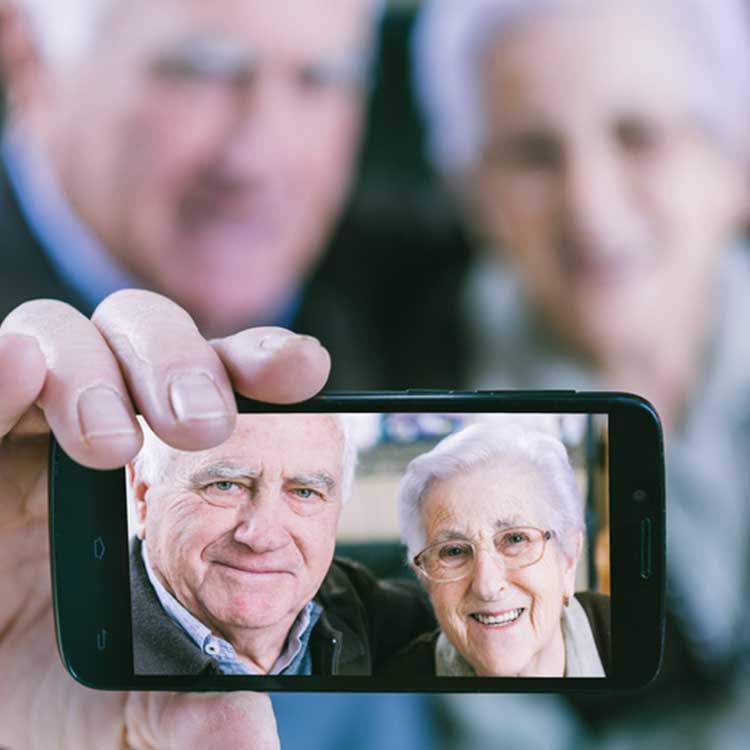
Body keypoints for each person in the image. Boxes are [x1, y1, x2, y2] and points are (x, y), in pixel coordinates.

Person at [412, 0, 749, 745]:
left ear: (738, 164)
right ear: (474, 197)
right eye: (533, 153)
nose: (590, 208)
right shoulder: (429, 425)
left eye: (641, 137)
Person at [0, 0, 383, 382]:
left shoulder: (426, 313)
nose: (255, 161)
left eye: (320, 78)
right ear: (29, 61)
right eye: (201, 70)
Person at [128, 412, 433, 676]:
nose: (263, 538)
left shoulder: (380, 618)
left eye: (304, 492)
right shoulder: (91, 661)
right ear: (143, 497)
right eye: (225, 485)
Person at [384, 423, 609, 678]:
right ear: (424, 578)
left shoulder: (648, 644)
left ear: (568, 559)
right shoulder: (394, 690)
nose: (486, 586)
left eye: (515, 539)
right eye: (454, 551)